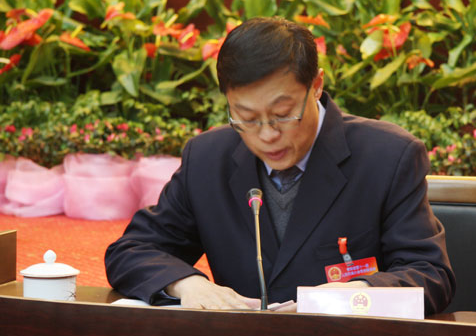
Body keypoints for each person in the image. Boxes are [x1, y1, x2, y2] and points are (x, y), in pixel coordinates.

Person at [105, 17, 455, 315]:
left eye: (283, 114)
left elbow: (429, 274)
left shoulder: (387, 157)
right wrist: (188, 284)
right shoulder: (208, 159)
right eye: (246, 117)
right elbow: (132, 251)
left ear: (316, 85)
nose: (267, 135)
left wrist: (351, 295)